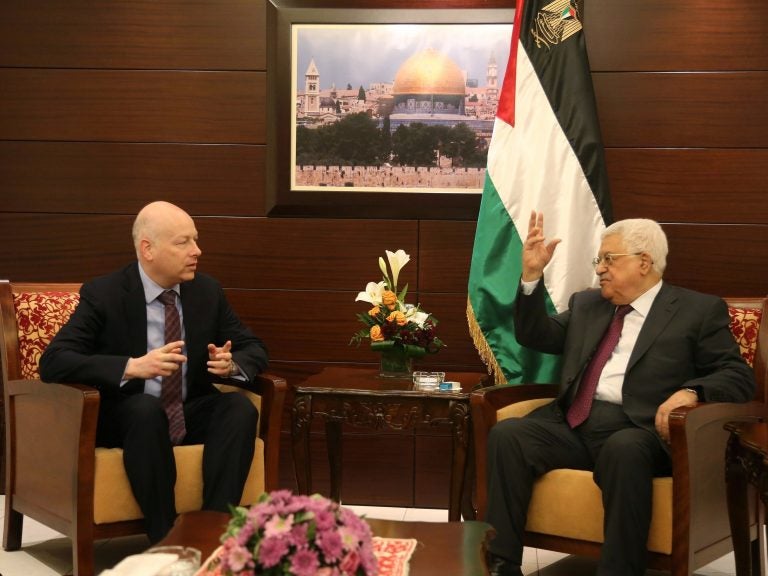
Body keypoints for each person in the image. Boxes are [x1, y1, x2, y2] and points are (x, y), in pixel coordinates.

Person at [484, 212, 755, 576]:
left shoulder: (697, 310)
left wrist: (691, 391)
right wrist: (532, 276)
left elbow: (737, 375)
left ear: (644, 261)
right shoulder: (589, 304)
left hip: (640, 429)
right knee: (509, 435)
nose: (599, 269)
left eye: (608, 259)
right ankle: (501, 565)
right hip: (574, 423)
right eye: (599, 260)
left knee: (623, 449)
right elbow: (538, 336)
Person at [39, 200, 269, 542]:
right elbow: (54, 360)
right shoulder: (105, 294)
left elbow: (254, 348)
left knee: (238, 407)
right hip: (128, 414)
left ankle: (212, 532)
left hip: (188, 409)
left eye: (195, 239)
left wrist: (231, 364)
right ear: (148, 249)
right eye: (183, 242)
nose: (197, 250)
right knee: (145, 411)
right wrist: (131, 367)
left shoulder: (207, 292)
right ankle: (165, 537)